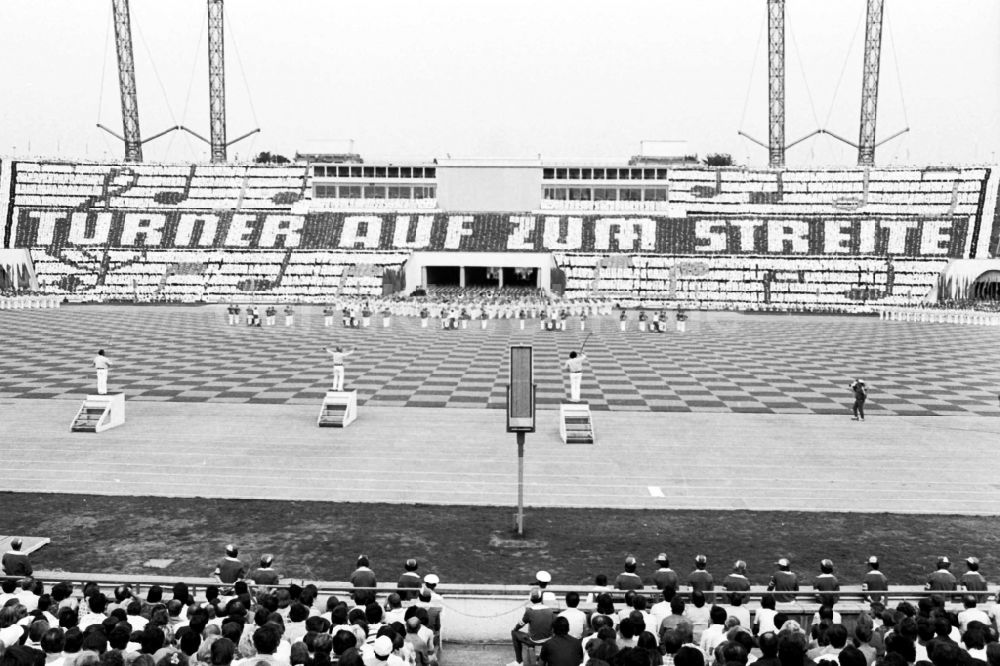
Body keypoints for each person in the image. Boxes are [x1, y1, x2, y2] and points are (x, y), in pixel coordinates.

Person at [508, 588, 555, 666]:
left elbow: (521, 624)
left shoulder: (529, 611)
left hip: (534, 640)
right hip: (547, 640)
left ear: (531, 599)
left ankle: (519, 661)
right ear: (541, 598)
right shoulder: (550, 610)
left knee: (514, 633)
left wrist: (515, 629)